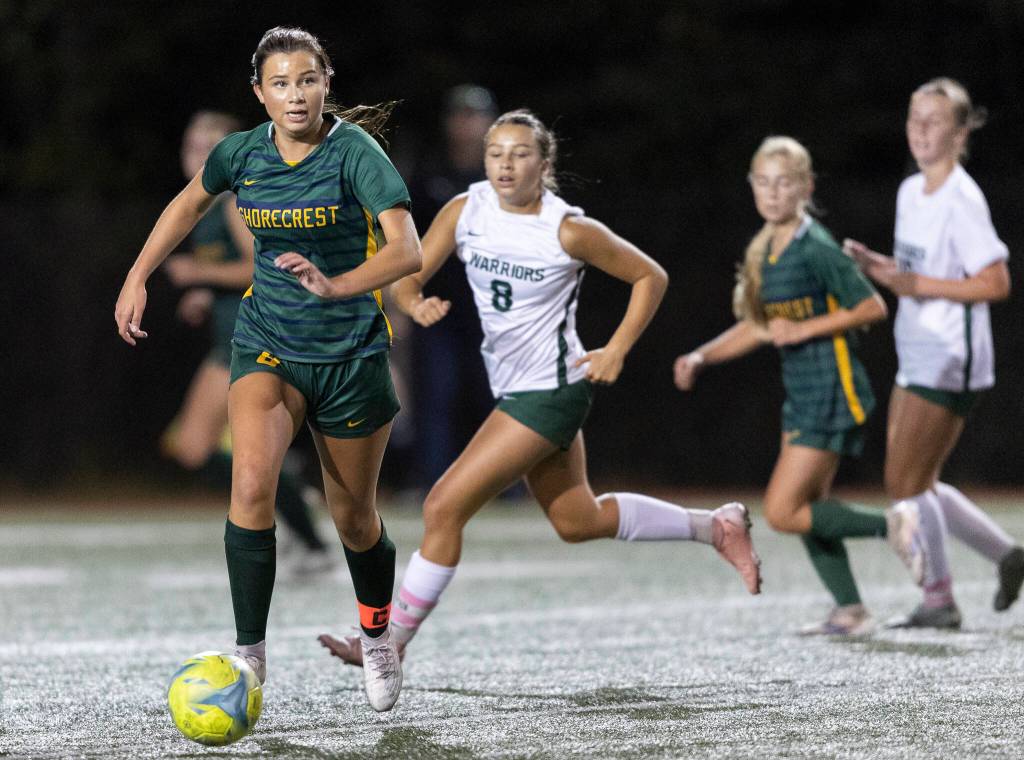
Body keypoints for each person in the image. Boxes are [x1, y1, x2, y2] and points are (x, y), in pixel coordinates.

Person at [319, 109, 761, 669]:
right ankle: (715, 526)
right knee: (578, 520)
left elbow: (651, 276)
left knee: (442, 507)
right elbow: (409, 267)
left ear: (544, 164)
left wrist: (618, 347)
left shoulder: (567, 228)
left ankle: (388, 645)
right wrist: (412, 302)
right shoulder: (466, 208)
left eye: (520, 153)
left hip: (552, 389)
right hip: (519, 389)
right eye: (495, 153)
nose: (505, 164)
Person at [114, 26, 421, 712]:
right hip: (266, 343)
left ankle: (377, 636)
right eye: (279, 83)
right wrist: (139, 275)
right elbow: (187, 203)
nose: (294, 94)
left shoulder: (356, 154)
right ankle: (248, 658)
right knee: (250, 486)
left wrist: (338, 286)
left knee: (355, 520)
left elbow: (408, 251)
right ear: (260, 93)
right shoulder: (241, 152)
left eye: (306, 80)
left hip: (349, 354)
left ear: (326, 82)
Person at [673, 136, 904, 636]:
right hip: (802, 393)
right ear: (753, 187)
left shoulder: (814, 246)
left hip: (832, 389)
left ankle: (895, 527)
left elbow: (872, 307)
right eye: (763, 182)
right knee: (810, 509)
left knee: (782, 511)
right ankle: (851, 611)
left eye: (784, 183)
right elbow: (757, 326)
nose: (773, 193)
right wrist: (701, 356)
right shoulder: (765, 249)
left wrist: (803, 329)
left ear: (806, 187)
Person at [844, 77, 1021, 629]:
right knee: (917, 480)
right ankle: (1007, 556)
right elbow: (918, 275)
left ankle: (939, 600)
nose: (920, 130)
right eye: (914, 118)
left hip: (950, 357)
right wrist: (879, 267)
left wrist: (919, 286)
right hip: (916, 350)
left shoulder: (961, 198)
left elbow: (994, 283)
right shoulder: (909, 191)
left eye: (935, 120)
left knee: (905, 483)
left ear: (960, 132)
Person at [161, 110, 333, 577]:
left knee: (198, 446)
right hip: (232, 338)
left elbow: (264, 267)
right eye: (189, 146)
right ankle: (294, 502)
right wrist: (204, 292)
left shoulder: (235, 201)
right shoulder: (205, 205)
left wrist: (198, 273)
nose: (194, 156)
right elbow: (232, 271)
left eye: (206, 148)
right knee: (204, 449)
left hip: (251, 338)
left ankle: (307, 533)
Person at [403, 85, 499, 492]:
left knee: (495, 399)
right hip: (437, 307)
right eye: (459, 116)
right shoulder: (427, 175)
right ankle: (434, 481)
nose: (467, 125)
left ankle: (503, 482)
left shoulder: (501, 176)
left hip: (492, 311)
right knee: (435, 398)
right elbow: (407, 247)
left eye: (474, 116)